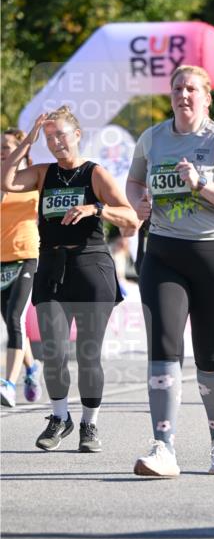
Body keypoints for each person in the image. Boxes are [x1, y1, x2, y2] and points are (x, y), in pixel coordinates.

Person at [126, 64, 214, 478]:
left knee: (210, 353)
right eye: (178, 88)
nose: (184, 95)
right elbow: (133, 182)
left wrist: (201, 184)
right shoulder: (153, 138)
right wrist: (138, 204)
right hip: (164, 252)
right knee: (163, 346)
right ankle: (163, 446)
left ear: (206, 96)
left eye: (192, 89)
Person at [0, 108, 137, 451]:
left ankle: (89, 425)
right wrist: (27, 140)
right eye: (48, 138)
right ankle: (60, 417)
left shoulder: (95, 174)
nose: (55, 142)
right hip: (52, 266)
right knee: (54, 352)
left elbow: (131, 219)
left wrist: (97, 209)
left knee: (88, 354)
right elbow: (6, 180)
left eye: (60, 134)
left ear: (77, 135)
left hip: (91, 266)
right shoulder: (43, 173)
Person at [1, 127, 42, 407]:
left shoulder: (33, 179)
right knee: (10, 322)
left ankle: (8, 384)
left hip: (26, 254)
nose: (3, 151)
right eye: (0, 148)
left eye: (7, 146)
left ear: (21, 149)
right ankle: (31, 368)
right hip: (1, 259)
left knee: (15, 318)